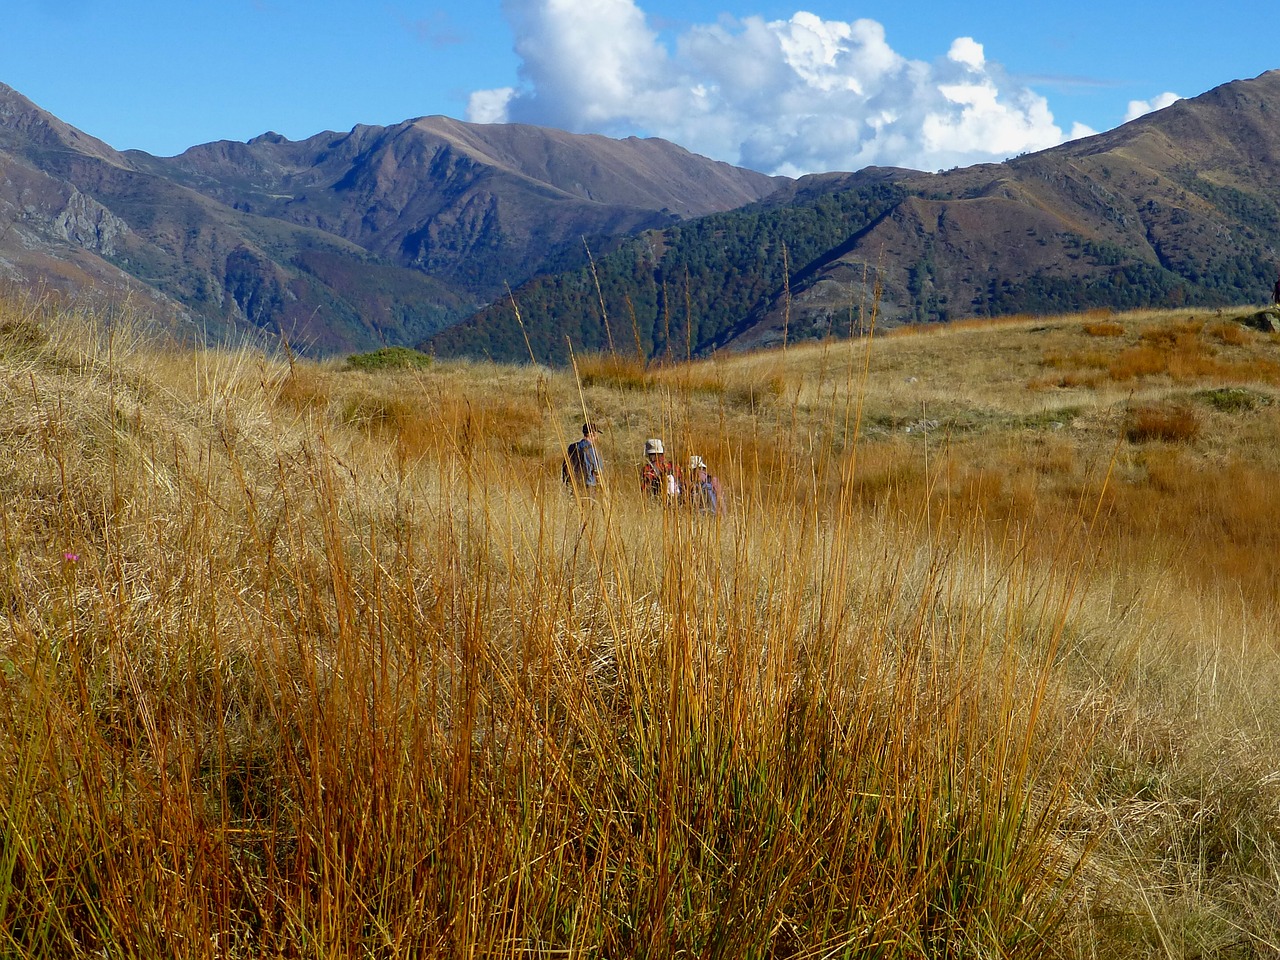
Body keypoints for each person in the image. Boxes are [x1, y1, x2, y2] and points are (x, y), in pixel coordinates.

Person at [563, 422, 602, 493]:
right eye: (596, 434)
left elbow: (566, 465)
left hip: (573, 484)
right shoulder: (590, 449)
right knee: (589, 503)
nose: (597, 437)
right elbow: (597, 470)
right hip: (588, 486)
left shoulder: (572, 447)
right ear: (591, 434)